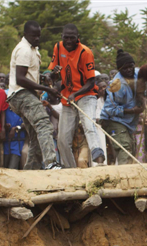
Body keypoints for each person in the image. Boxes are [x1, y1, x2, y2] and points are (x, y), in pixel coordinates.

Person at [48, 23, 104, 168]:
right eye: (66, 37)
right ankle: (70, 169)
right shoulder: (58, 47)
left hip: (85, 95)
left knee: (88, 124)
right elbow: (53, 73)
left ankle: (98, 158)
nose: (68, 41)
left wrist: (76, 94)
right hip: (68, 98)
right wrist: (52, 75)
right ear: (62, 37)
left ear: (77, 38)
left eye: (72, 38)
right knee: (62, 138)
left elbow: (91, 82)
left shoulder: (85, 52)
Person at [8, 21, 61, 170]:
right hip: (22, 94)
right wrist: (47, 89)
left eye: (39, 35)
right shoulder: (24, 50)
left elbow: (30, 76)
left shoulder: (32, 48)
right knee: (44, 124)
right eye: (34, 36)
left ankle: (31, 171)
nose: (37, 39)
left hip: (24, 95)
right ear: (25, 34)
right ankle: (51, 162)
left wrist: (50, 77)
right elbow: (21, 79)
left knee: (36, 137)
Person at [100, 50, 143, 165]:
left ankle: (131, 178)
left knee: (132, 151)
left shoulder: (138, 74)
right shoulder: (117, 85)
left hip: (129, 122)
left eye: (131, 66)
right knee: (125, 148)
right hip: (113, 120)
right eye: (125, 68)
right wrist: (132, 111)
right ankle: (124, 178)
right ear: (119, 70)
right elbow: (109, 110)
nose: (129, 70)